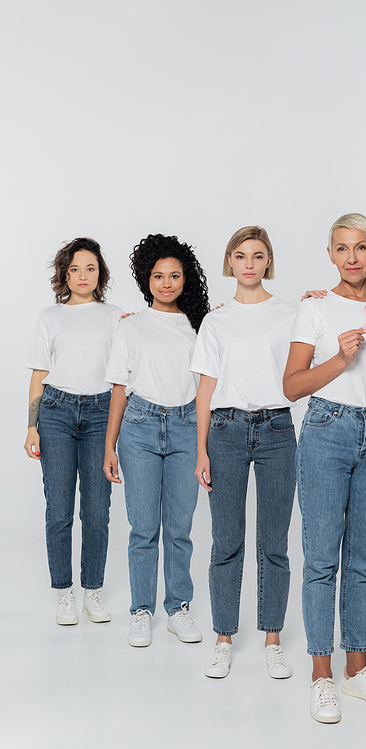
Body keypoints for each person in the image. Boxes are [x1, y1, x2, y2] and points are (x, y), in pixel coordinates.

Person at [283, 213, 366, 723]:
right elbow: (292, 387)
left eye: (361, 247)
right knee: (321, 557)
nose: (352, 257)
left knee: (364, 557)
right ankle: (322, 675)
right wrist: (339, 361)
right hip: (326, 431)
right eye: (342, 248)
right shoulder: (315, 308)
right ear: (331, 255)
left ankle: (357, 669)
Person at [192, 226, 297, 680]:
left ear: (268, 261)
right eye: (240, 255)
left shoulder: (293, 313)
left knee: (274, 542)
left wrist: (321, 301)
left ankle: (273, 638)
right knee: (226, 539)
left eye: (258, 255)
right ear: (230, 262)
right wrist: (201, 450)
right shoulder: (216, 320)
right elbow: (204, 390)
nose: (249, 263)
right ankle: (223, 637)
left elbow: (314, 357)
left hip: (277, 430)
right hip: (226, 431)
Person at [103, 234, 210, 648]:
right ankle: (141, 611)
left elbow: (208, 386)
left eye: (175, 276)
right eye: (158, 276)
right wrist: (109, 445)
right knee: (143, 527)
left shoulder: (201, 324)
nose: (167, 283)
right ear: (146, 278)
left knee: (179, 528)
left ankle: (178, 608)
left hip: (187, 426)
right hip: (140, 427)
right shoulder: (129, 326)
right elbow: (119, 390)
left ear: (187, 279)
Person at [24, 238, 123, 626]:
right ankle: (65, 593)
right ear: (65, 274)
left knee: (97, 511)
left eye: (91, 268)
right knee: (59, 510)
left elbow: (123, 378)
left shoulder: (116, 316)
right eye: (75, 269)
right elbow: (38, 376)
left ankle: (92, 592)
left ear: (101, 273)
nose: (83, 276)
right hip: (56, 413)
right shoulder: (50, 316)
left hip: (101, 414)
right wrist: (31, 426)